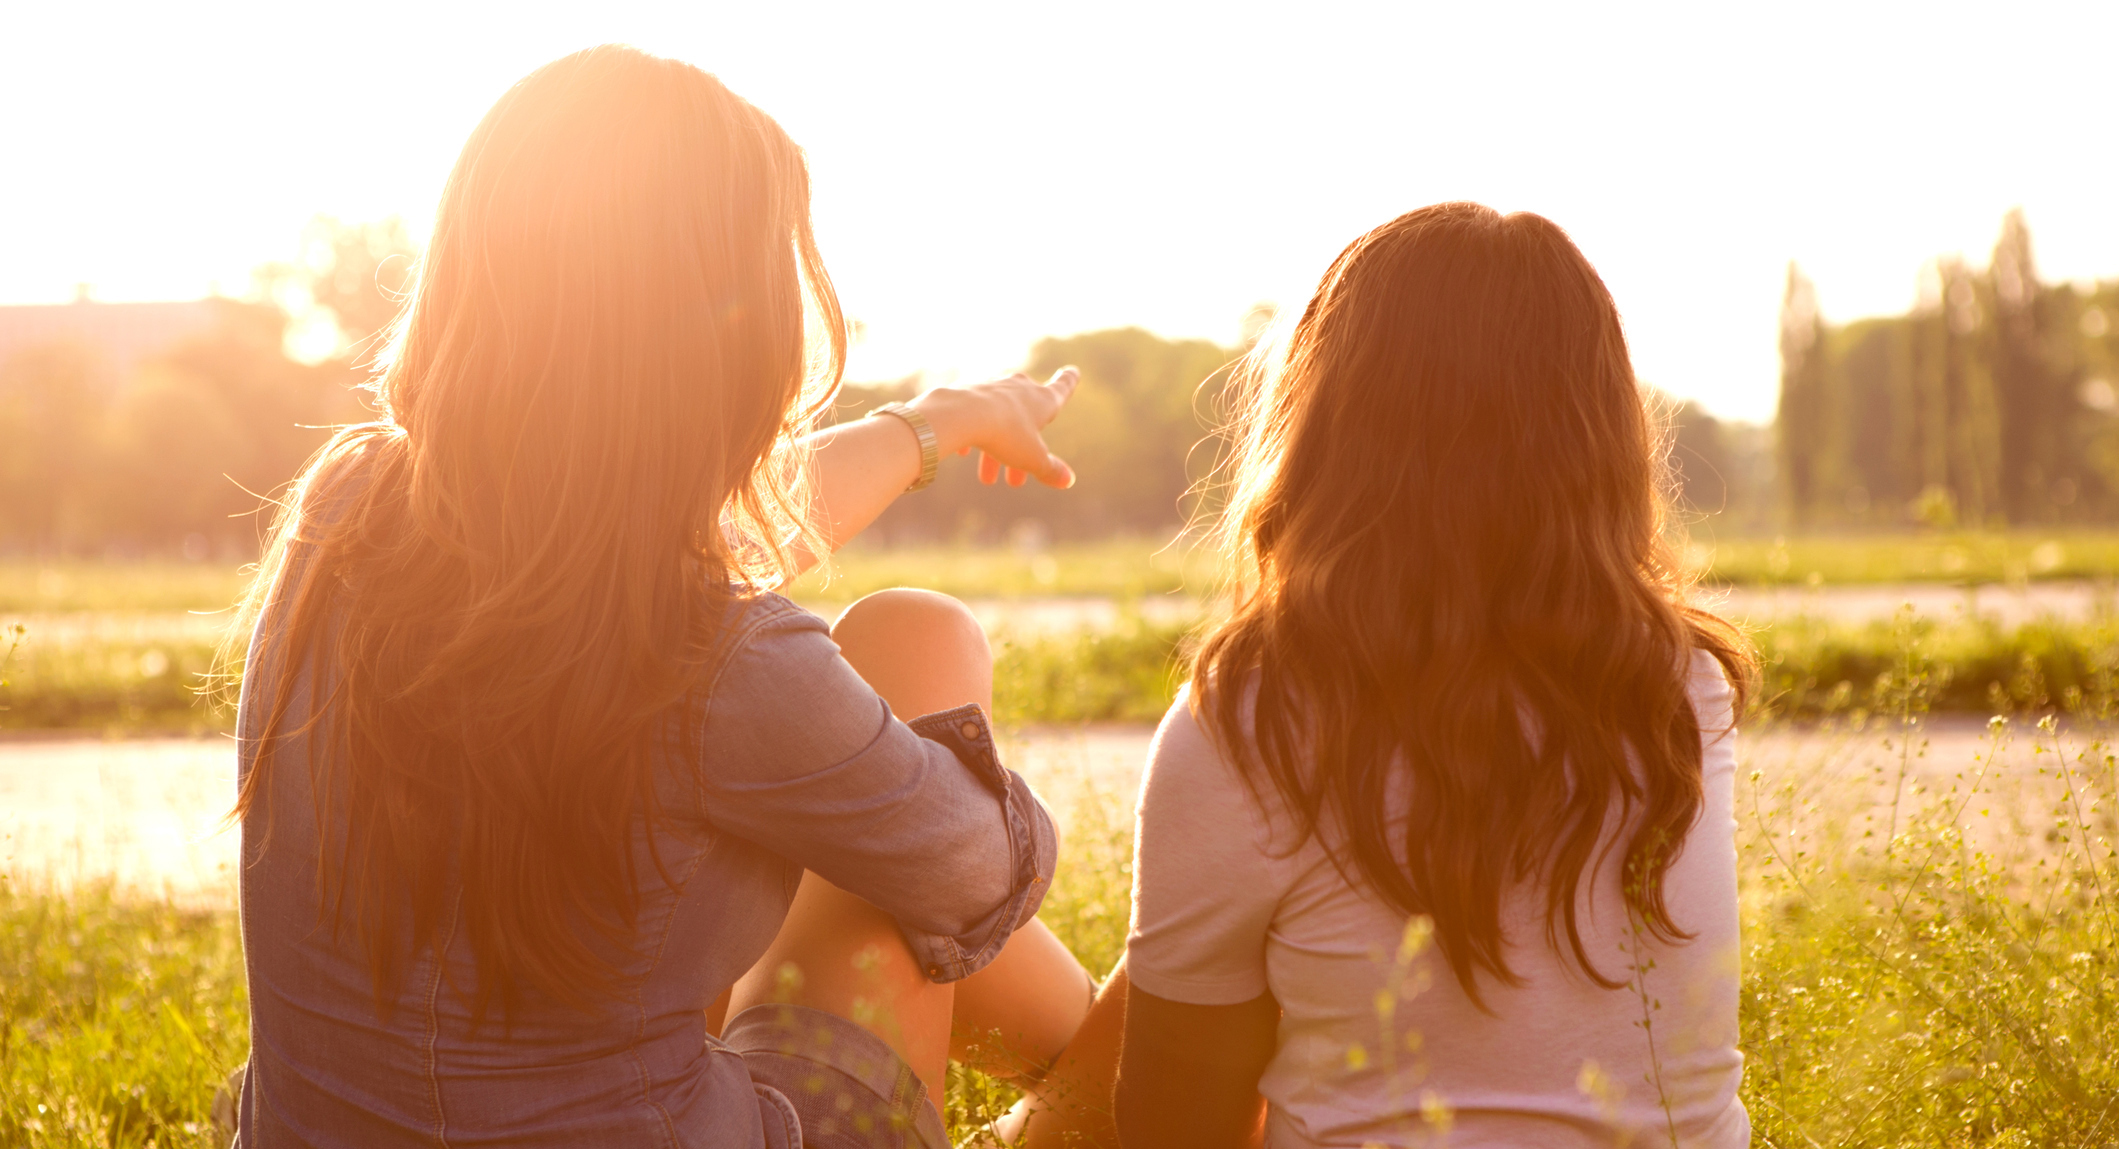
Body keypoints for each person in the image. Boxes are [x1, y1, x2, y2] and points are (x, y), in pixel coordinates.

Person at [225, 45, 1097, 1148]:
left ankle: (1095, 1072)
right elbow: (975, 875)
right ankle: (1113, 1079)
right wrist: (934, 773)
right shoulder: (727, 664)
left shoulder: (342, 513)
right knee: (919, 645)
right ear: (728, 341)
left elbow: (645, 564)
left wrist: (934, 426)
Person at [1012, 202, 1756, 1148]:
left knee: (1206, 966)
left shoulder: (1254, 719)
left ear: (1322, 424)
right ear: (1602, 434)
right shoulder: (1679, 684)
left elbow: (1176, 1131)